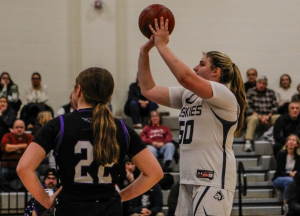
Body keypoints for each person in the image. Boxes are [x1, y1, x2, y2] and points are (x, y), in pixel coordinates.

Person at [17, 67, 163, 216]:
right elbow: (155, 173)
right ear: (109, 95)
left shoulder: (59, 124)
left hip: (70, 208)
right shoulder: (123, 129)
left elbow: (24, 168)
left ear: (79, 90)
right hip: (109, 209)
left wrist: (46, 201)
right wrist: (121, 196)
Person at [138, 17, 246, 216]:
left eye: (202, 64)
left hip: (214, 179)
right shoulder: (188, 94)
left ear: (216, 71)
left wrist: (162, 45)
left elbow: (185, 77)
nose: (196, 67)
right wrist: (144, 52)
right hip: (188, 178)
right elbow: (148, 89)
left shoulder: (224, 95)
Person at [244, 75, 279, 152]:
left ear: (266, 84)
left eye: (263, 83)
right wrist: (259, 117)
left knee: (278, 117)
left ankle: (277, 139)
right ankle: (248, 142)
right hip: (255, 117)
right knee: (253, 118)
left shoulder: (271, 92)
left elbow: (275, 107)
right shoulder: (250, 92)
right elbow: (247, 107)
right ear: (256, 83)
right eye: (259, 83)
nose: (261, 85)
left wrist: (269, 116)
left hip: (268, 118)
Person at [1, 119, 34, 191]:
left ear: (25, 129)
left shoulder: (29, 137)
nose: (19, 129)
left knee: (36, 176)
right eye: (17, 127)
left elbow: (30, 150)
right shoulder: (7, 136)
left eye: (21, 127)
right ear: (13, 129)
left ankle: (21, 192)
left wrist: (13, 148)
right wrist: (23, 146)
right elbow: (5, 148)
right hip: (8, 167)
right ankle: (11, 192)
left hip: (25, 168)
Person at [272, 134, 300, 207]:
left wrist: (296, 173)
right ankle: (286, 204)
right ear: (286, 143)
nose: (291, 142)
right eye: (289, 140)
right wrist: (290, 174)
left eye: (293, 140)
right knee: (290, 181)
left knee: (292, 181)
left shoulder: (298, 156)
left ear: (297, 144)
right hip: (279, 178)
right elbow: (279, 171)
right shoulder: (281, 154)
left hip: (294, 178)